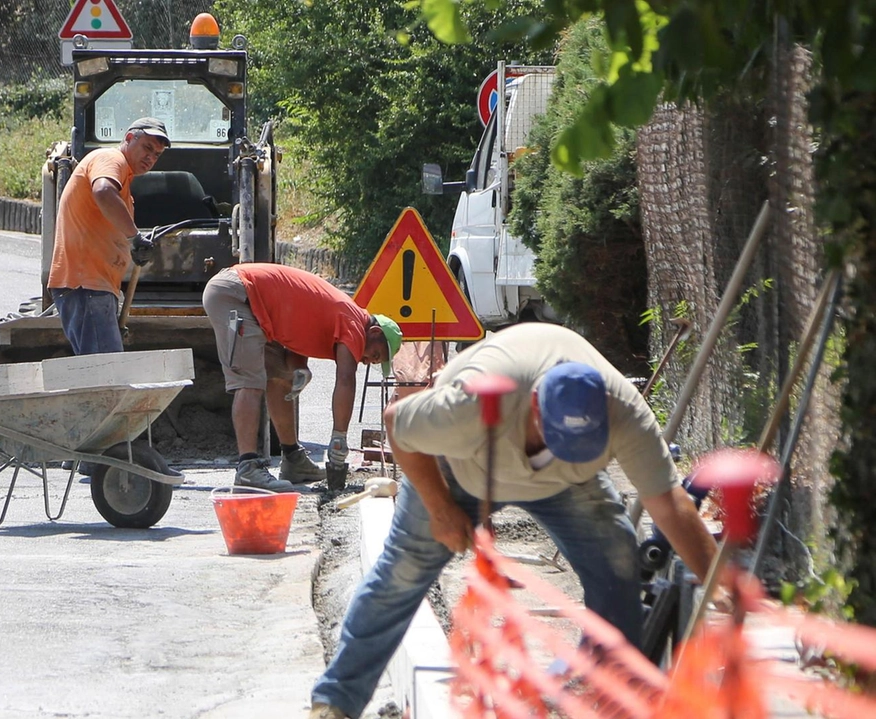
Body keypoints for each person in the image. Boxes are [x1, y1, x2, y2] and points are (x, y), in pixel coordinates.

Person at [308, 323, 718, 719]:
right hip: (459, 467)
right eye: (558, 441)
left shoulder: (623, 412)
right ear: (537, 408)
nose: (564, 450)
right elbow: (398, 424)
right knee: (403, 571)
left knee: (619, 562)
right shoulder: (468, 405)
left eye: (580, 445)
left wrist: (723, 584)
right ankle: (336, 702)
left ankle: (608, 698)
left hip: (566, 484)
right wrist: (441, 509)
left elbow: (670, 504)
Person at [202, 263, 403, 493]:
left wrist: (300, 368)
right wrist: (339, 440)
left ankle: (293, 459)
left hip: (253, 303)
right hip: (237, 295)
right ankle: (247, 469)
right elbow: (346, 379)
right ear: (374, 332)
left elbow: (300, 328)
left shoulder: (341, 318)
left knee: (281, 379)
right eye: (374, 354)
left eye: (375, 362)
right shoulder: (354, 323)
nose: (367, 360)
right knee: (249, 382)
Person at [47, 117, 170, 355]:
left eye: (157, 154)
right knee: (106, 376)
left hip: (93, 286)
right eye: (147, 148)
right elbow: (103, 191)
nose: (151, 158)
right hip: (86, 285)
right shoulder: (110, 159)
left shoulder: (125, 183)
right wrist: (135, 238)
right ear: (128, 139)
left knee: (101, 372)